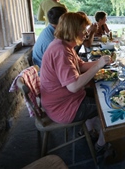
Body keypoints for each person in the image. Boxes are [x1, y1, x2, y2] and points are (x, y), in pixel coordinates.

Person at [40, 12, 112, 157]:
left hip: (62, 100)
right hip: (63, 108)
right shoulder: (61, 51)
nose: (86, 32)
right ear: (73, 30)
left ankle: (88, 129)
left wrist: (104, 63)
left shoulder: (65, 45)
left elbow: (82, 65)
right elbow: (73, 86)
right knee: (107, 107)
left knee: (100, 94)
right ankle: (101, 145)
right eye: (83, 29)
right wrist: (98, 66)